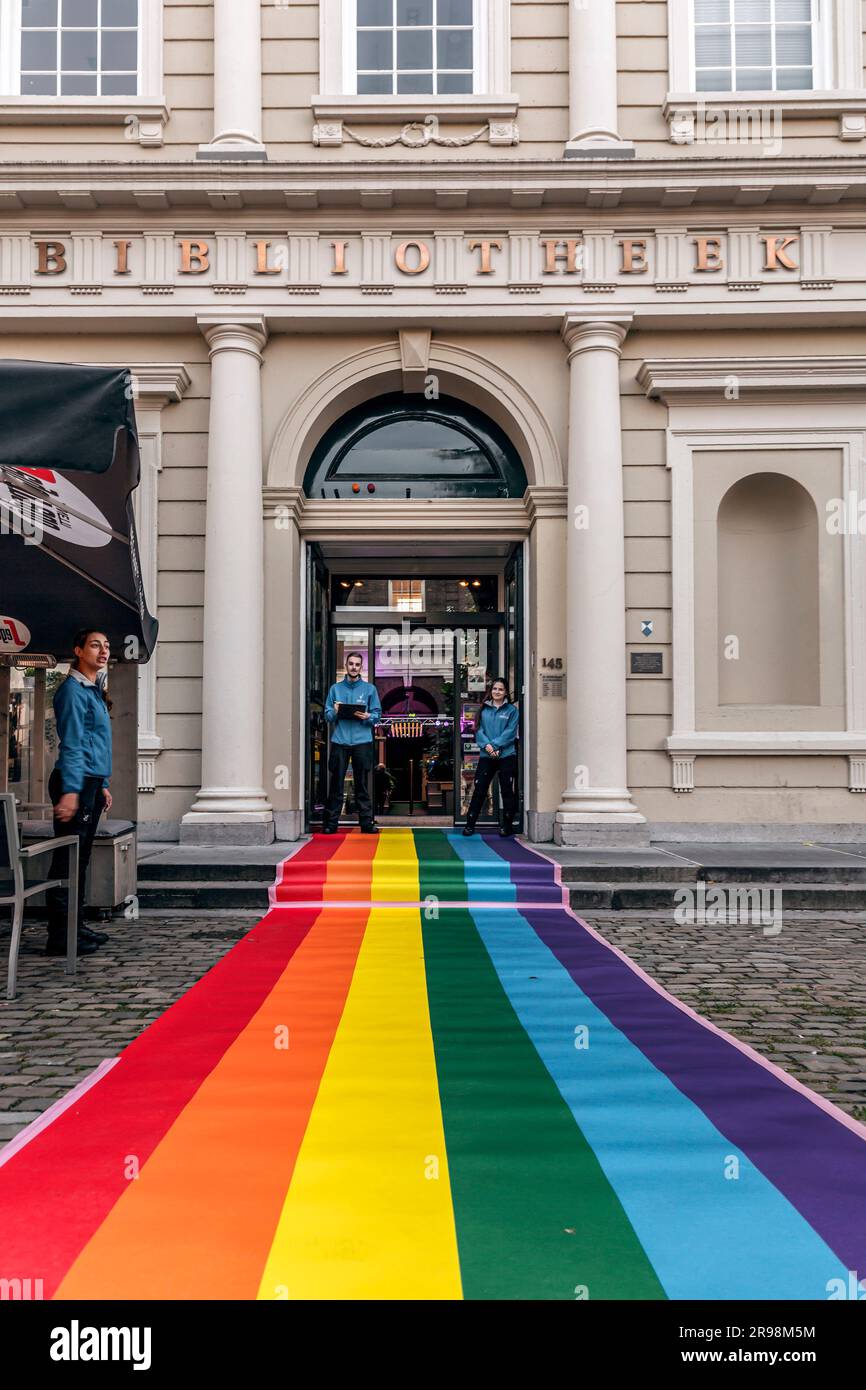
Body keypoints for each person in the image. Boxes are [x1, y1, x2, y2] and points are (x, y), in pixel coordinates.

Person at [45, 630, 114, 956]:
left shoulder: (92, 690)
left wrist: (101, 784)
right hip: (75, 782)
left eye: (106, 646)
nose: (103, 651)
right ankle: (60, 936)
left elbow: (93, 744)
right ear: (78, 650)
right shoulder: (73, 692)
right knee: (68, 859)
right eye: (95, 645)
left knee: (81, 858)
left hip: (89, 782)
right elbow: (72, 744)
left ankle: (76, 927)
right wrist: (72, 791)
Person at [323, 652, 382, 833]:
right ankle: (331, 824)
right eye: (351, 664)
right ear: (346, 665)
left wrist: (368, 716)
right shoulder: (335, 689)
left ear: (361, 667)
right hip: (340, 741)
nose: (354, 667)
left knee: (362, 785)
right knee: (336, 785)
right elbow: (327, 716)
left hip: (362, 742)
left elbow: (377, 715)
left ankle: (366, 824)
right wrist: (334, 710)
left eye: (357, 664)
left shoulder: (370, 689)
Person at [462, 678, 519, 838]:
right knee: (479, 790)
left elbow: (510, 732)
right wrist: (487, 746)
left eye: (501, 689)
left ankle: (506, 826)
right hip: (486, 756)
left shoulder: (512, 711)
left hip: (506, 756)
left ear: (506, 692)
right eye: (495, 689)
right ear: (491, 690)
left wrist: (494, 746)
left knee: (507, 790)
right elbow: (478, 729)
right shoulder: (483, 709)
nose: (497, 692)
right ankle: (469, 825)